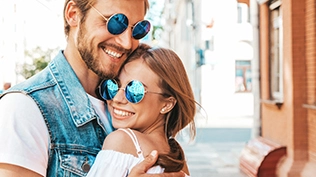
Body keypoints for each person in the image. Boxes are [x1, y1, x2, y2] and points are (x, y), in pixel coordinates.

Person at [0, 0, 185, 176]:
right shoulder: (24, 108)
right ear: (73, 14)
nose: (127, 43)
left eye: (137, 30)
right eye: (116, 23)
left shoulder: (127, 107)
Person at [86, 43, 196, 176]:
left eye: (134, 90)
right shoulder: (178, 160)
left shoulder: (121, 141)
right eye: (112, 85)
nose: (117, 99)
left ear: (167, 104)